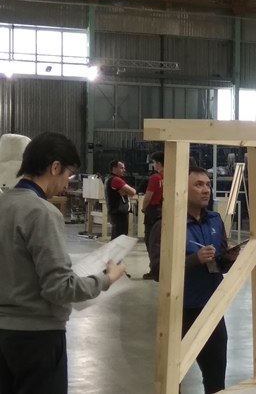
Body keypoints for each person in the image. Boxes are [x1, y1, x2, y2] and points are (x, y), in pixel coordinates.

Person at [0, 132, 126, 394]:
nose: (66, 184)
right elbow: (59, 289)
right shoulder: (41, 212)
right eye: (68, 174)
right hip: (37, 339)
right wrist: (105, 279)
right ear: (55, 167)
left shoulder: (4, 204)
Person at [150, 166, 240, 394]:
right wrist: (194, 260)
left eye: (208, 184)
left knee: (215, 380)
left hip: (212, 309)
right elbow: (158, 271)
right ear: (182, 188)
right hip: (181, 312)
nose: (206, 190)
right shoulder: (166, 225)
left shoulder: (215, 220)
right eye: (198, 185)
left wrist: (229, 259)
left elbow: (219, 263)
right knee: (173, 380)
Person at [141, 151, 164, 280]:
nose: (153, 165)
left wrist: (144, 208)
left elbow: (148, 196)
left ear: (159, 163)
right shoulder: (168, 177)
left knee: (151, 240)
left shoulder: (155, 178)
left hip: (153, 211)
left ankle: (154, 269)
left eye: (154, 162)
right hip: (163, 210)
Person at [106, 160, 136, 239]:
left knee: (117, 237)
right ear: (114, 168)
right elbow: (133, 192)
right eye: (122, 168)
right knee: (119, 238)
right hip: (119, 214)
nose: (124, 170)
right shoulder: (116, 180)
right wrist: (127, 191)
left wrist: (125, 191)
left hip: (116, 213)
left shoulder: (109, 178)